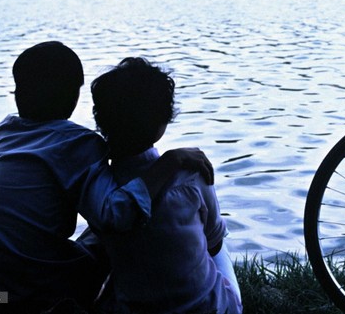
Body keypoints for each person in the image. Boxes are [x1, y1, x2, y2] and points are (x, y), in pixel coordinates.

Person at [0, 41, 213, 313]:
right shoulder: (77, 144)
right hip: (32, 292)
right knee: (105, 245)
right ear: (74, 98)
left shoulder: (0, 134)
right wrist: (170, 162)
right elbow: (116, 214)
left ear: (18, 92)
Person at [91, 57, 242, 314]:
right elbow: (213, 243)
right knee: (217, 241)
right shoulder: (192, 175)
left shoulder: (97, 186)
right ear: (162, 123)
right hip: (209, 308)